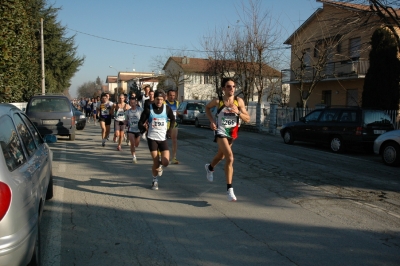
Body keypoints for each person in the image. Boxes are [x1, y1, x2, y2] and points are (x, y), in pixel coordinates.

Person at [204, 78, 250, 202]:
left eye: (234, 86)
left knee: (222, 155)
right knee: (230, 157)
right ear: (223, 88)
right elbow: (207, 108)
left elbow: (248, 119)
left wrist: (238, 112)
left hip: (232, 133)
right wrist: (212, 121)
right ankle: (229, 190)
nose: (232, 89)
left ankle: (210, 167)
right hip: (220, 132)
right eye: (229, 86)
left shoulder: (238, 101)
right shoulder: (218, 101)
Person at [138, 90, 175, 190]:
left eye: (161, 100)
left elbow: (173, 119)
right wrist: (143, 128)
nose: (159, 101)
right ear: (154, 99)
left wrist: (170, 130)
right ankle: (155, 180)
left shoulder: (167, 109)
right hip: (152, 139)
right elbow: (140, 122)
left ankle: (160, 166)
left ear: (164, 100)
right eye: (157, 99)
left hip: (163, 139)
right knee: (156, 162)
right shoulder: (148, 109)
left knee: (166, 162)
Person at [125, 97, 143, 163]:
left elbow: (144, 117)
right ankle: (134, 157)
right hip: (131, 129)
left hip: (138, 129)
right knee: (132, 143)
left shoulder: (140, 110)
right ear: (129, 103)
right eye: (131, 103)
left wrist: (144, 123)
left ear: (136, 102)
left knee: (136, 144)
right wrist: (124, 123)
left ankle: (134, 153)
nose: (132, 104)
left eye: (133, 103)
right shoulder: (128, 112)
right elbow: (126, 120)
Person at [165, 89, 180, 164]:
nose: (172, 97)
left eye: (173, 95)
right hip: (165, 123)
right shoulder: (164, 103)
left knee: (174, 140)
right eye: (170, 95)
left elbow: (177, 112)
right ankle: (163, 155)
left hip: (173, 123)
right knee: (163, 140)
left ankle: (174, 157)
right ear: (167, 95)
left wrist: (180, 114)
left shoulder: (177, 103)